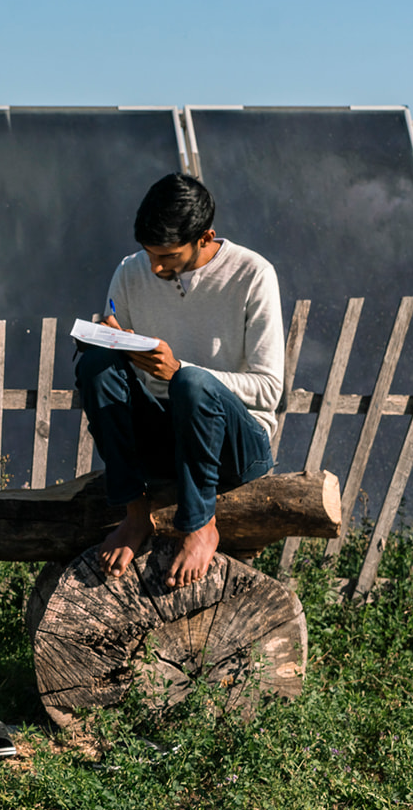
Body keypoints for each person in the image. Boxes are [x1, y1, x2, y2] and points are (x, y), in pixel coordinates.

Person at [76, 173, 281, 587]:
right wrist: (114, 344)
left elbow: (268, 388)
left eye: (166, 256)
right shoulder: (131, 273)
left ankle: (201, 524)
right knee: (95, 365)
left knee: (191, 384)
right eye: (148, 253)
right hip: (162, 438)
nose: (154, 266)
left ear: (206, 237)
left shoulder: (253, 274)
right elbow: (116, 375)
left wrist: (180, 370)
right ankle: (136, 515)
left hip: (235, 447)